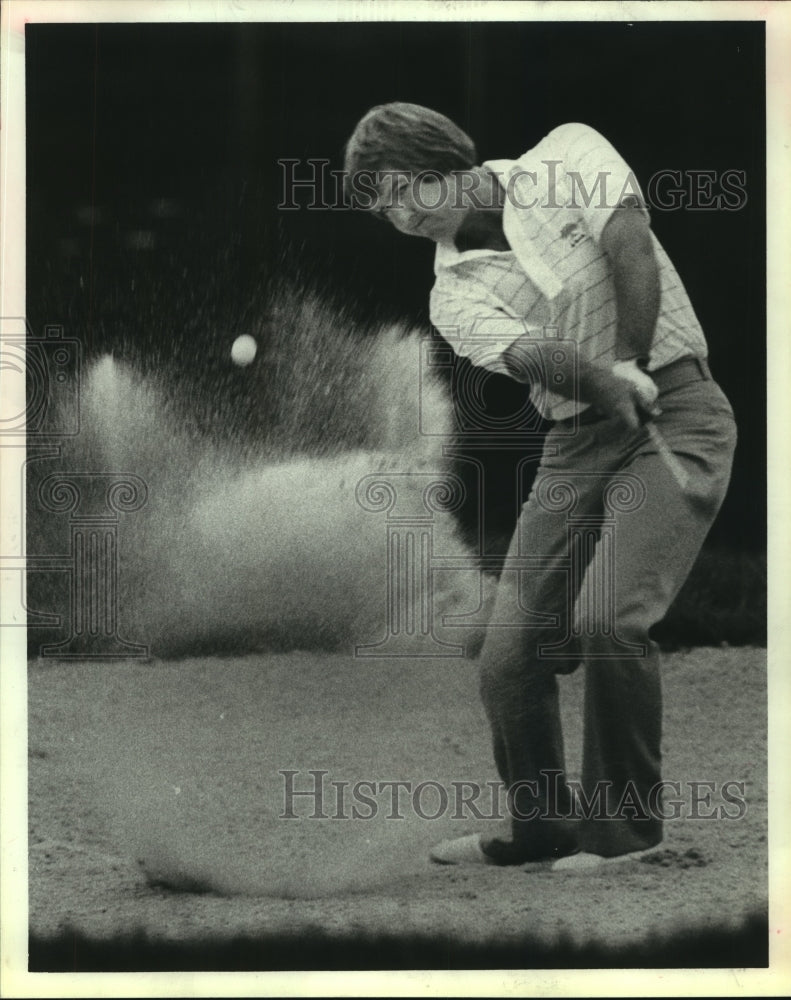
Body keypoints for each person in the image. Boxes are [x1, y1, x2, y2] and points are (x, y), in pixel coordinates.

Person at [343, 103, 737, 871]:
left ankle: (626, 835)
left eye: (402, 191)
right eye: (380, 208)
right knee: (507, 655)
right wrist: (599, 378)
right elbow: (530, 357)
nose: (398, 216)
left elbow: (628, 243)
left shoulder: (567, 152)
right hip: (574, 445)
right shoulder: (449, 294)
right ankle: (541, 828)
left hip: (678, 416)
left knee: (609, 619)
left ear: (445, 160)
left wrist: (626, 358)